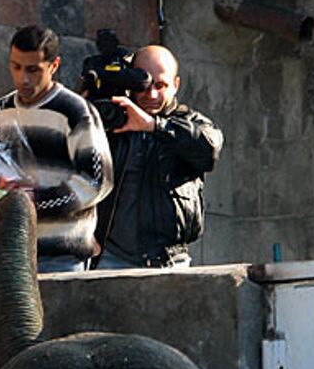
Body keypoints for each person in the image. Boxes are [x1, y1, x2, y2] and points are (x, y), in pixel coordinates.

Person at [0, 25, 113, 273]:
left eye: (33, 70)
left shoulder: (76, 112)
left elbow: (97, 181)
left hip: (61, 254)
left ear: (54, 66)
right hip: (8, 252)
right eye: (16, 67)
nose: (23, 78)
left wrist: (34, 201)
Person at [93, 45, 223, 269]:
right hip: (111, 257)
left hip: (169, 259)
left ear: (176, 85)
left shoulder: (189, 121)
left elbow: (208, 148)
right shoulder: (114, 119)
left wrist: (154, 126)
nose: (151, 95)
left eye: (161, 86)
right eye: (143, 85)